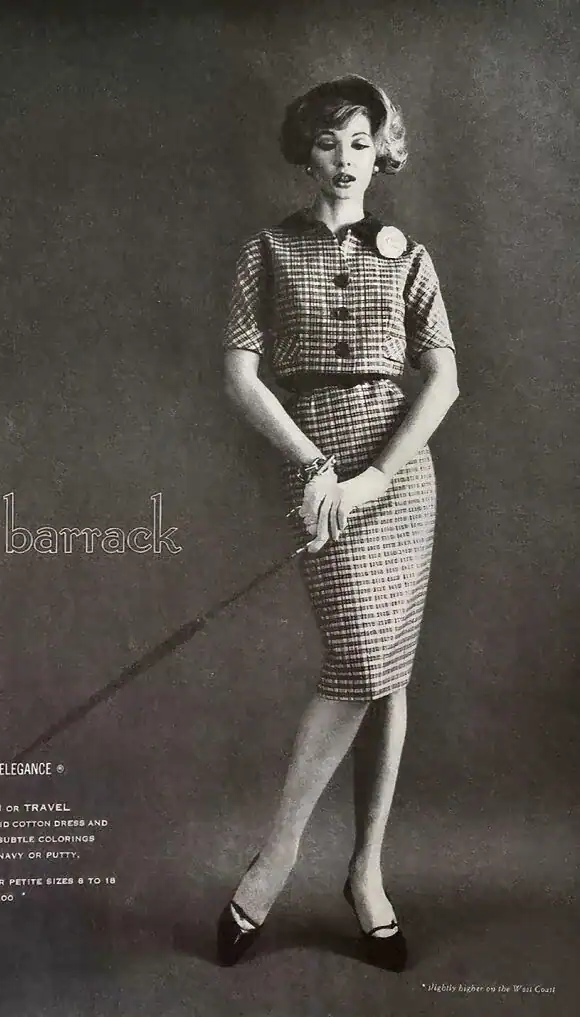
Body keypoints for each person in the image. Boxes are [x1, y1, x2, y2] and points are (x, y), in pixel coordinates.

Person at [216, 75, 459, 972]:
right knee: (360, 658)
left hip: (399, 476)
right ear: (306, 153)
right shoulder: (267, 250)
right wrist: (319, 468)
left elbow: (444, 380)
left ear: (382, 152)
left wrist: (376, 476)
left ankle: (365, 873)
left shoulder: (410, 256)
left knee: (386, 673)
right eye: (329, 142)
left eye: (361, 142)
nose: (346, 159)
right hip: (316, 462)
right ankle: (277, 858)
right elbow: (240, 377)